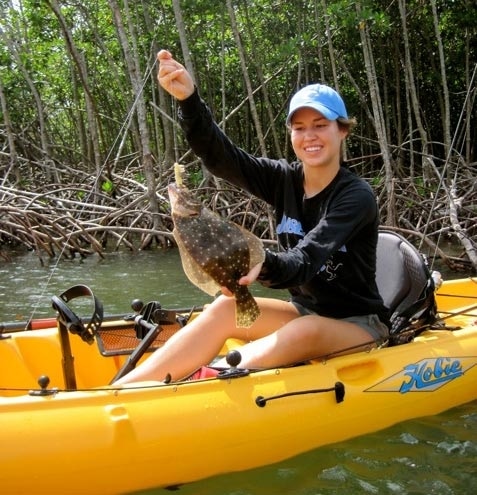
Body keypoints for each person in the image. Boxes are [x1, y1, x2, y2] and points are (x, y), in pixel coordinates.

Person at [115, 49, 389, 384]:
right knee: (223, 309)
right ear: (291, 135)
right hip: (305, 310)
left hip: (358, 324)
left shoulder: (355, 196)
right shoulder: (283, 179)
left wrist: (263, 262)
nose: (310, 136)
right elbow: (221, 158)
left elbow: (304, 260)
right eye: (300, 128)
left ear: (342, 130)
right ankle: (126, 389)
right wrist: (188, 100)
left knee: (307, 329)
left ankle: (198, 382)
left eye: (320, 125)